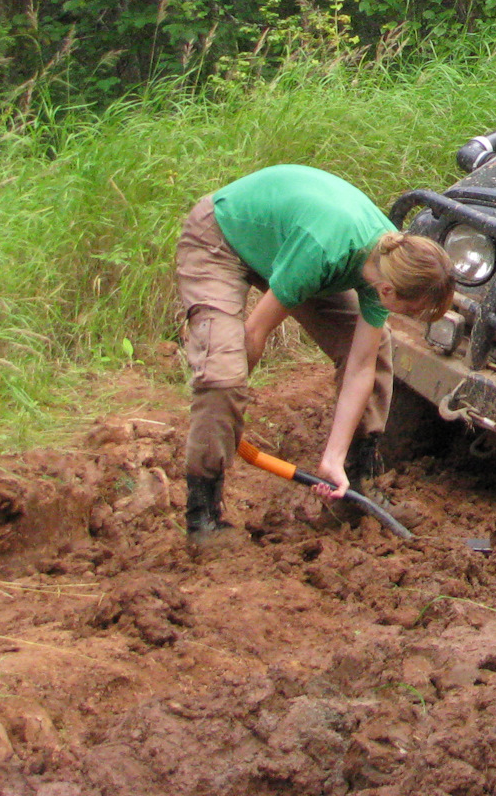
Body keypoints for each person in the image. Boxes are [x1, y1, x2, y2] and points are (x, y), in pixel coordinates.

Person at [174, 164, 455, 546]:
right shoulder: (325, 249)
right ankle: (203, 517)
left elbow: (359, 366)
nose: (409, 319)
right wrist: (230, 404)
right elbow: (254, 332)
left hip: (286, 244)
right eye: (411, 311)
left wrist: (332, 459)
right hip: (221, 238)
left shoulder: (385, 264)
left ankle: (356, 486)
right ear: (388, 291)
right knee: (224, 374)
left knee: (378, 349)